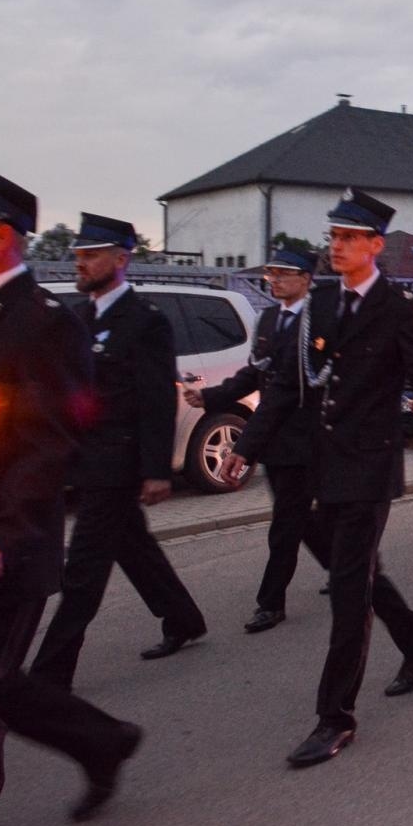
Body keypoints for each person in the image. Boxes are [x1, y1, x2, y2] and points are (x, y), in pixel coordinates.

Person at [220, 188, 413, 768]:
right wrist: (247, 446)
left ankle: (335, 717)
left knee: (347, 591)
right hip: (317, 462)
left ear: (375, 245)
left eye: (347, 238)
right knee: (355, 572)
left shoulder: (399, 305)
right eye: (332, 237)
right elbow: (287, 384)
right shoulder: (319, 303)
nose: (335, 247)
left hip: (369, 467)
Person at [0, 166, 144, 826]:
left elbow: (50, 442)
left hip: (0, 550)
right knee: (0, 687)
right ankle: (100, 740)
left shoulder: (43, 323)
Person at [31, 214, 208, 688]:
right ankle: (183, 618)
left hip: (118, 461)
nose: (81, 263)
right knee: (133, 546)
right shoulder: (81, 316)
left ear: (120, 259)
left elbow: (155, 399)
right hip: (86, 458)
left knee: (83, 569)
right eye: (79, 255)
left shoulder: (145, 321)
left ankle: (49, 677)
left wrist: (157, 470)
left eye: (91, 255)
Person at [186, 244, 317, 633]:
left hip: (309, 441)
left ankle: (273, 602)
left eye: (283, 274)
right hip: (278, 442)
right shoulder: (270, 319)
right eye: (270, 273)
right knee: (299, 522)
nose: (274, 280)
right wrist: (210, 397)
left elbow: (283, 395)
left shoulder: (317, 323)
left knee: (293, 524)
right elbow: (255, 373)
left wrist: (243, 448)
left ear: (305, 278)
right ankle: (351, 571)